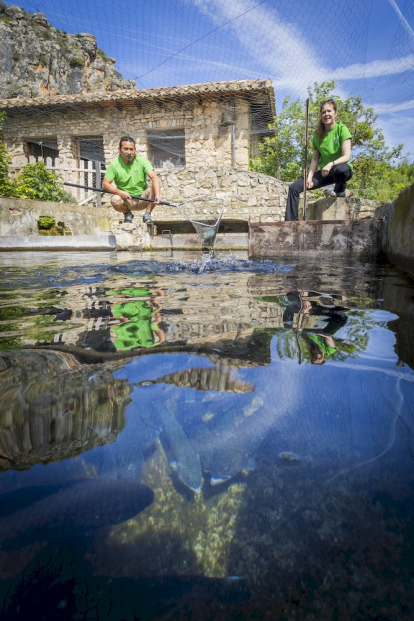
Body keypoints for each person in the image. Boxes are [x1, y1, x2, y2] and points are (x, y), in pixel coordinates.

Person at [285, 99, 353, 221]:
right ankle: (290, 224)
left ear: (335, 113)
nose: (326, 114)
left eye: (329, 111)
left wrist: (330, 164)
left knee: (341, 169)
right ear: (321, 115)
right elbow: (315, 159)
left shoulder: (342, 129)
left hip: (341, 171)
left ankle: (339, 191)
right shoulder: (317, 135)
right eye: (323, 112)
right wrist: (309, 178)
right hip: (325, 174)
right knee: (293, 188)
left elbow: (346, 156)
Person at [102, 136, 161, 224]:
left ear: (134, 150)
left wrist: (158, 195)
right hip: (126, 200)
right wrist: (120, 192)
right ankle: (127, 214)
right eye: (126, 149)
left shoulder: (142, 161)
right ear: (119, 150)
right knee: (115, 199)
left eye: (131, 149)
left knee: (157, 182)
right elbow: (105, 184)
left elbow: (154, 177)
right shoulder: (114, 165)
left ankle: (147, 214)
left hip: (143, 199)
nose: (129, 152)